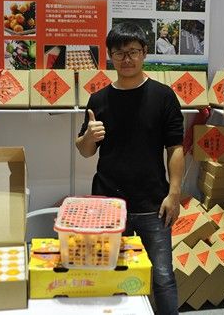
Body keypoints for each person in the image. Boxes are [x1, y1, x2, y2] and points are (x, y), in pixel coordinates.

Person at [76, 22, 185, 315]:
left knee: (162, 277)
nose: (127, 59)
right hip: (108, 205)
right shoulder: (99, 99)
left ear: (144, 52)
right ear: (110, 56)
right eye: (120, 53)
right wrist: (88, 137)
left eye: (133, 52)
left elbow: (175, 148)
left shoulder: (163, 96)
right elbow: (86, 151)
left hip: (153, 202)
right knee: (109, 273)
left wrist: (174, 194)